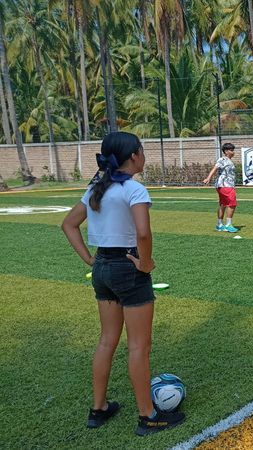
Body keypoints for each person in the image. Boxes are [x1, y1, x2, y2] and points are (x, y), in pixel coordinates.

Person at [61, 132, 185, 436]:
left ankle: (98, 408)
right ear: (133, 156)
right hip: (128, 269)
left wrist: (90, 260)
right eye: (142, 150)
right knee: (139, 346)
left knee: (107, 341)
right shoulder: (134, 189)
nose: (144, 155)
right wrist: (145, 262)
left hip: (103, 268)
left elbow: (68, 224)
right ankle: (148, 416)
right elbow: (143, 233)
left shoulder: (96, 188)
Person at [203, 143, 239, 232]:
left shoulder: (229, 161)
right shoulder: (223, 159)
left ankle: (219, 225)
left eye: (233, 150)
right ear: (226, 151)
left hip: (224, 185)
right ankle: (228, 224)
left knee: (223, 204)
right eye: (231, 150)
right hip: (225, 185)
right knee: (232, 204)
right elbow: (215, 168)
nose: (233, 152)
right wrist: (208, 178)